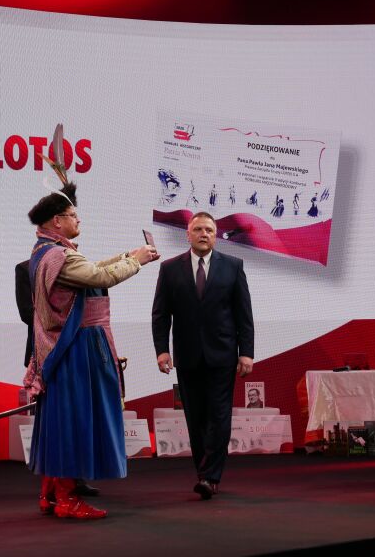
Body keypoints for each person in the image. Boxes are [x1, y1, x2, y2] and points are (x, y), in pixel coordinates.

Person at [23, 181, 158, 520]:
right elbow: (99, 276)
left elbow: (91, 270)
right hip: (77, 349)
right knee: (74, 422)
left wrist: (128, 256)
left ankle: (50, 494)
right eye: (73, 215)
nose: (78, 219)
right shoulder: (59, 256)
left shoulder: (46, 252)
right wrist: (137, 262)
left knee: (59, 421)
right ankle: (67, 500)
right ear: (57, 221)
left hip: (68, 349)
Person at [152, 211, 254, 500]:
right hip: (187, 356)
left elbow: (243, 314)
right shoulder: (169, 269)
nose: (203, 234)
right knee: (195, 418)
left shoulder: (233, 266)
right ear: (188, 234)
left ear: (216, 235)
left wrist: (246, 352)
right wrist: (162, 350)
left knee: (219, 415)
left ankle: (211, 476)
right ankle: (204, 473)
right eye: (198, 229)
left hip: (223, 355)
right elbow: (161, 314)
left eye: (209, 229)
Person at [15, 257, 101, 498]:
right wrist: (65, 318)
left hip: (77, 352)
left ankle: (74, 479)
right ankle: (53, 484)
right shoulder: (25, 268)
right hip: (46, 354)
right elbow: (27, 313)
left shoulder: (76, 266)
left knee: (76, 420)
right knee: (51, 423)